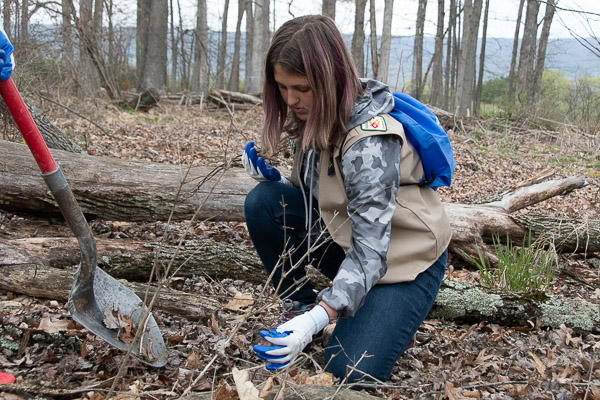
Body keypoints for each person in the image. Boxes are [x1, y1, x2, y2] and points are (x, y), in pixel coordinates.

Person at [242, 15, 452, 385]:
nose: (290, 99)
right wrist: (275, 180)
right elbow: (322, 195)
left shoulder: (370, 142)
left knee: (348, 371)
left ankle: (370, 315)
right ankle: (300, 305)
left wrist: (318, 319)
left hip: (403, 261)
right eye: (282, 87)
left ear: (330, 80)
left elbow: (372, 252)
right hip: (348, 243)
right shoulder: (314, 113)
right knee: (265, 203)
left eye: (302, 88)